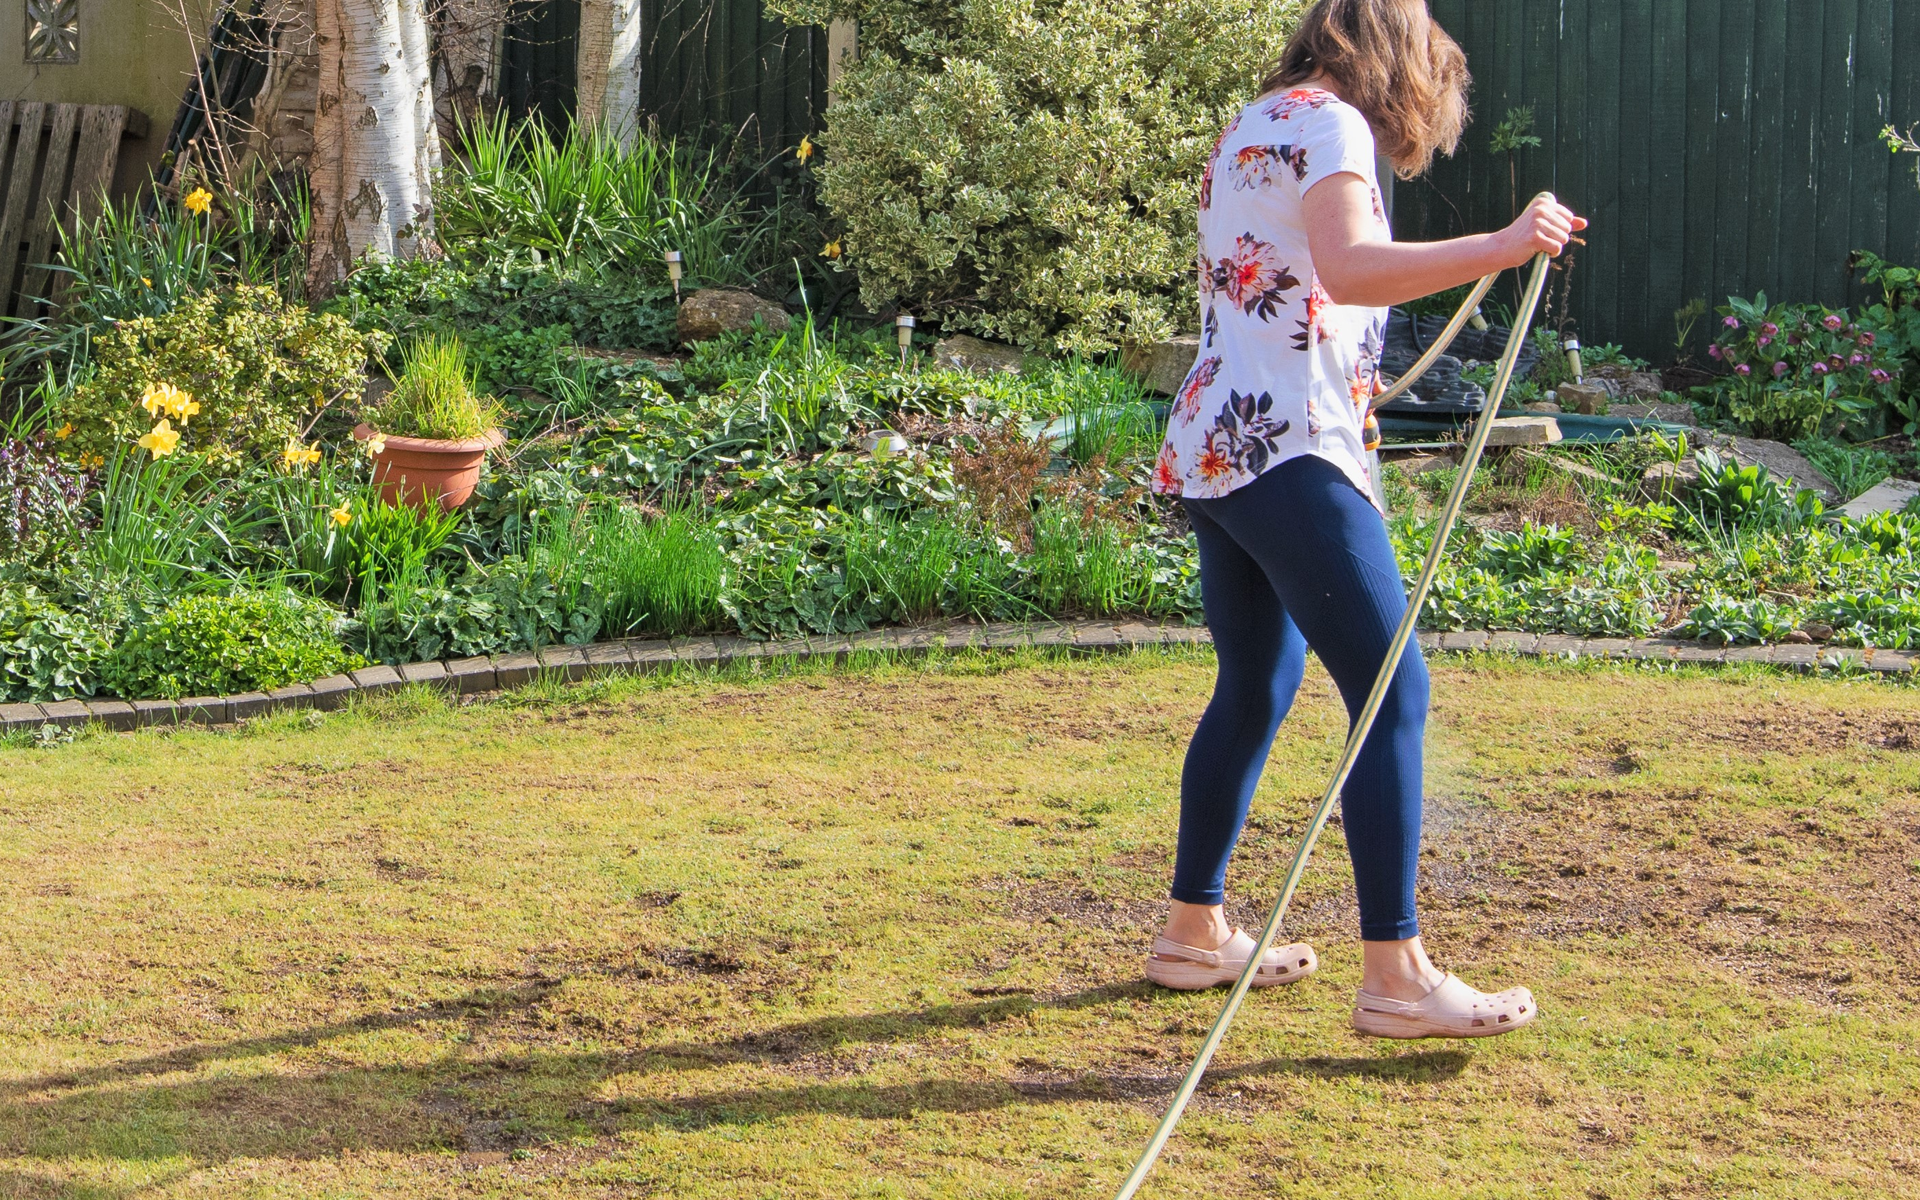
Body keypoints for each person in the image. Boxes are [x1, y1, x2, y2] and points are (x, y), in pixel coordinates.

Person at [1144, 0, 1586, 1039]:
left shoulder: (1257, 117)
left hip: (1221, 440)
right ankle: (1397, 971)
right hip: (1288, 446)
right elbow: (1344, 266)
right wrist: (1503, 244)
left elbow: (1289, 290)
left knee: (1259, 683)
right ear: (1395, 56)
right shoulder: (1335, 125)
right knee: (1394, 690)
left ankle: (1192, 931)